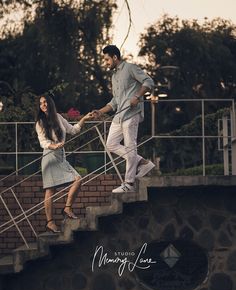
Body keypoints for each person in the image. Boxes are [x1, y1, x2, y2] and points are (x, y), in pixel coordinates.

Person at [93, 45, 155, 193]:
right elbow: (115, 101)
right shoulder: (113, 76)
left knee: (130, 146)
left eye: (107, 59)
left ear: (115, 57)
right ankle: (143, 163)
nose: (106, 62)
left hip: (131, 114)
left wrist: (137, 96)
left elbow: (149, 82)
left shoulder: (130, 68)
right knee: (110, 144)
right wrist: (100, 112)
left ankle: (129, 183)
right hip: (119, 115)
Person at [35, 94, 93, 233]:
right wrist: (53, 146)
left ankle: (67, 208)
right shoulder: (40, 122)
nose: (43, 105)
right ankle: (50, 222)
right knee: (50, 190)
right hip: (49, 157)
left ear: (50, 103)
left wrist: (84, 118)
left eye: (45, 102)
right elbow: (42, 141)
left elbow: (73, 130)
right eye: (41, 103)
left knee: (78, 179)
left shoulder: (59, 118)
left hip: (61, 156)